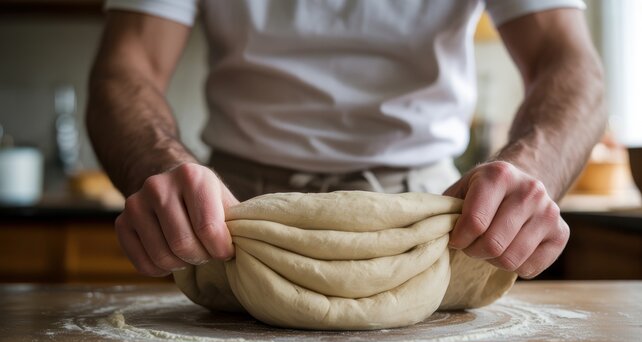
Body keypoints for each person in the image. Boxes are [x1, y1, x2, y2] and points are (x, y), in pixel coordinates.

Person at [87, 1, 605, 281]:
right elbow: (127, 69)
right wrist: (158, 165)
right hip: (228, 216)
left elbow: (569, 63)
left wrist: (531, 167)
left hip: (436, 215)